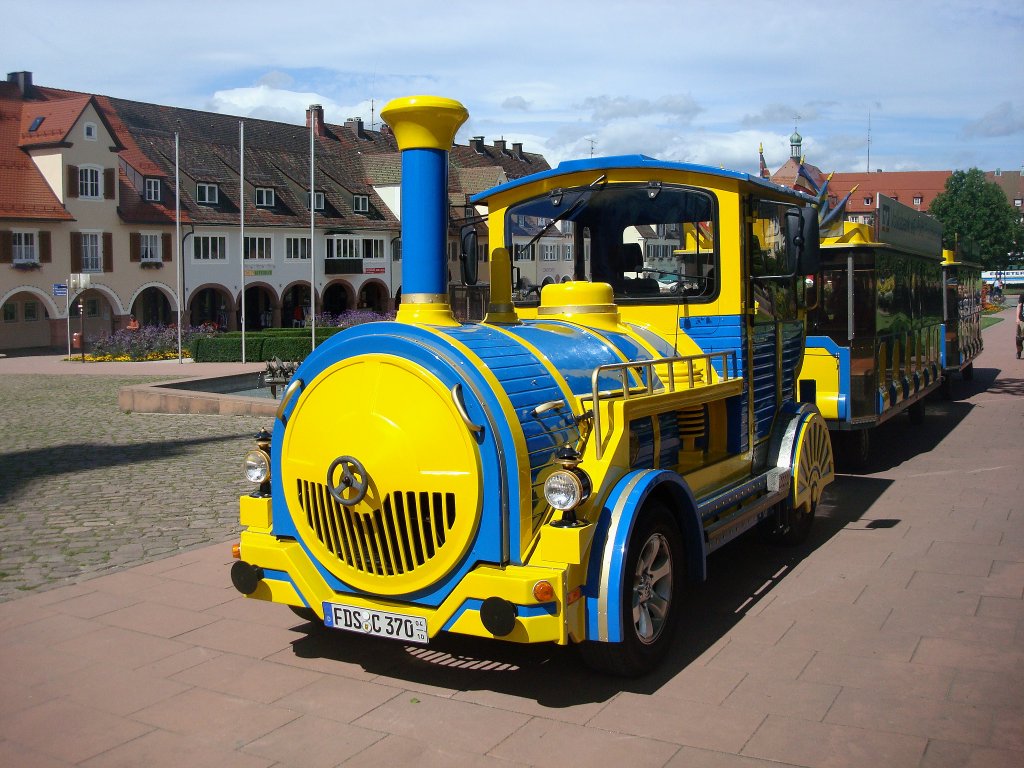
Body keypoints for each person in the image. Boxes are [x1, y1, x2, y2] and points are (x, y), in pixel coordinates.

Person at [1016, 292, 1023, 360]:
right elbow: (1019, 306)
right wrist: (1017, 318)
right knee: (1019, 339)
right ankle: (1019, 351)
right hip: (1022, 320)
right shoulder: (1023, 295)